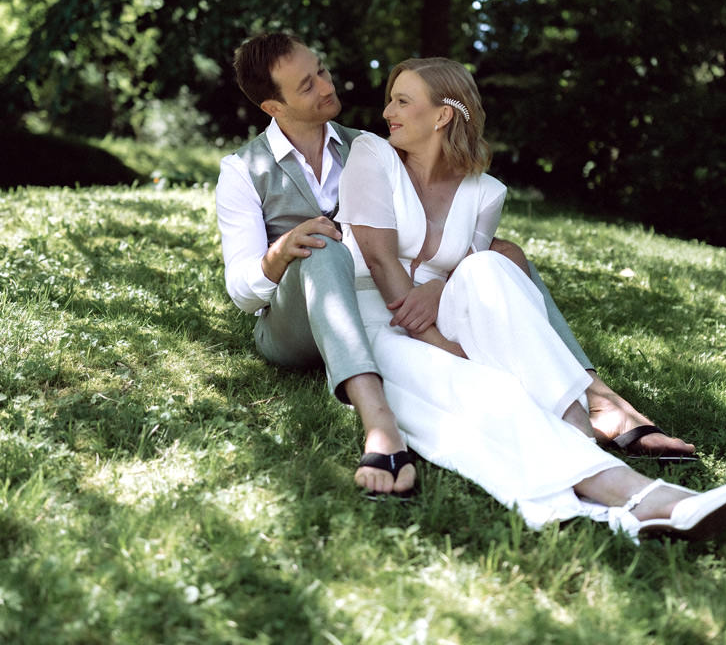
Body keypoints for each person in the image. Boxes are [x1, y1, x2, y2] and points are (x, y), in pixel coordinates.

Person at [216, 32, 691, 498]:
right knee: (323, 248)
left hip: (377, 301)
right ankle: (379, 427)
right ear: (274, 107)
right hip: (297, 320)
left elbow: (436, 220)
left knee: (503, 254)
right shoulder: (243, 170)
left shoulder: (369, 145)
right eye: (307, 85)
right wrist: (281, 252)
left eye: (321, 70)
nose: (326, 85)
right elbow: (241, 292)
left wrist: (444, 283)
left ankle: (596, 396)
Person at [334, 56, 726, 540]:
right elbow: (381, 262)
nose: (388, 111)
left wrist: (439, 287)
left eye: (402, 101)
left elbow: (465, 270)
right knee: (488, 390)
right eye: (391, 100)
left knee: (491, 266)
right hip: (376, 322)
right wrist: (443, 346)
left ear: (442, 115)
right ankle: (636, 496)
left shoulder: (484, 192)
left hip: (444, 312)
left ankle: (578, 436)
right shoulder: (371, 155)